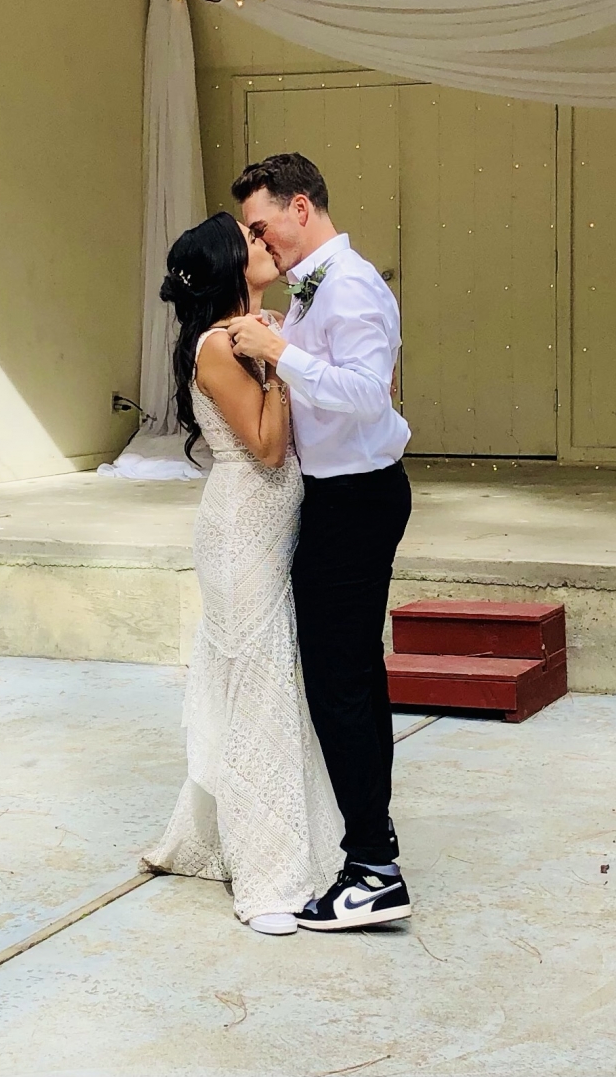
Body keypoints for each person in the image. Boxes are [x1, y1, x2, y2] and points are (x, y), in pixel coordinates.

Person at [227, 152, 414, 932]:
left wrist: (280, 353)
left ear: (300, 206)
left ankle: (372, 869)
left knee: (339, 684)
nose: (257, 241)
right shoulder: (315, 287)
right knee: (354, 678)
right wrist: (286, 334)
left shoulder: (351, 284)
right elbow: (329, 370)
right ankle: (374, 845)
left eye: (261, 224)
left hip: (357, 500)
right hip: (342, 498)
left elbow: (368, 394)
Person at [142, 213, 343, 935]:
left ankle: (227, 834)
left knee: (272, 681)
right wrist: (280, 362)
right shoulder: (219, 346)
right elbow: (265, 445)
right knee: (259, 689)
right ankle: (268, 879)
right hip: (241, 533)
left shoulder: (249, 332)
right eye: (251, 240)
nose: (265, 244)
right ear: (230, 262)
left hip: (272, 526)